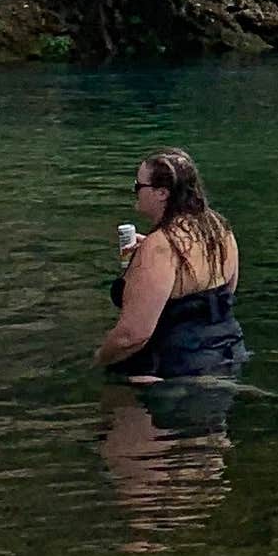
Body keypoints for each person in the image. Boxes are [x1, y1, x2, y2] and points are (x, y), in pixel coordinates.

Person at [96, 147, 247, 382]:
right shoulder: (218, 228)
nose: (135, 192)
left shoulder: (160, 247)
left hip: (171, 372)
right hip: (228, 355)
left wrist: (98, 360)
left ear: (162, 193)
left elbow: (132, 336)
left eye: (138, 186)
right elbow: (226, 292)